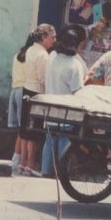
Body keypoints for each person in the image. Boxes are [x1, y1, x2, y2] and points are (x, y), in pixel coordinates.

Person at [41, 28, 87, 178]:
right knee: (63, 141)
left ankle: (46, 172)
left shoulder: (52, 56)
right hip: (66, 110)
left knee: (49, 141)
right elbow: (78, 91)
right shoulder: (75, 64)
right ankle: (61, 173)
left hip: (50, 107)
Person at [20, 23, 56, 177]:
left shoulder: (31, 50)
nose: (54, 41)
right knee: (33, 130)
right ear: (44, 37)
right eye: (52, 37)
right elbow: (43, 79)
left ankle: (23, 163)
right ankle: (30, 165)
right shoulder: (42, 55)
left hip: (27, 89)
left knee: (25, 130)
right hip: (37, 92)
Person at [7, 32, 36, 173]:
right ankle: (18, 161)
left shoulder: (18, 54)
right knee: (24, 129)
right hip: (24, 91)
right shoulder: (31, 56)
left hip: (14, 90)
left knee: (20, 128)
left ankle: (16, 159)